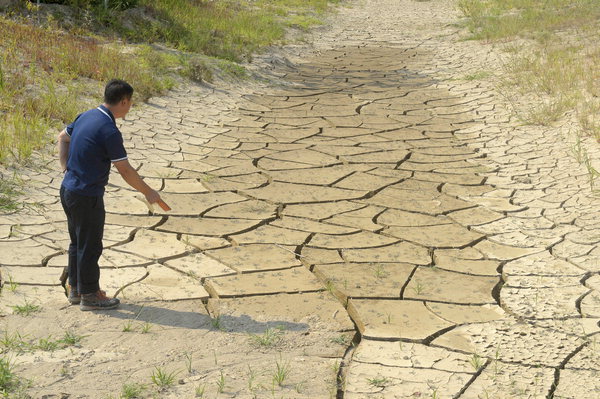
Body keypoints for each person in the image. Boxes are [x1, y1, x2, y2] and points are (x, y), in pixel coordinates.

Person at [57, 79, 164, 311]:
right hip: (86, 196)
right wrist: (149, 192)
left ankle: (76, 289)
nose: (130, 107)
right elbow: (124, 169)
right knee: (91, 245)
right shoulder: (109, 130)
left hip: (68, 190)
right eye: (130, 103)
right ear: (123, 101)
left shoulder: (85, 116)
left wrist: (65, 168)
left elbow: (62, 138)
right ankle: (90, 295)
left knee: (77, 242)